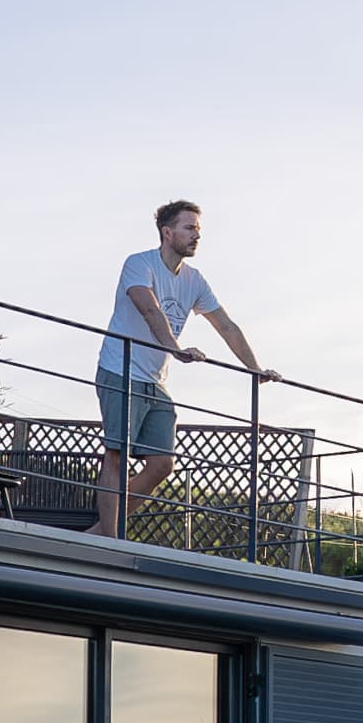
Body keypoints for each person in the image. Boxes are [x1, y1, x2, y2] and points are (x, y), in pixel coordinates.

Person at [94, 199, 276, 536]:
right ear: (167, 232)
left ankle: (101, 532)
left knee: (163, 464)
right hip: (120, 368)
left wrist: (256, 369)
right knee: (117, 454)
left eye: (199, 230)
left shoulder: (194, 280)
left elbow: (226, 325)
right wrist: (175, 349)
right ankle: (110, 539)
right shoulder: (139, 264)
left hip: (155, 379)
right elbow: (150, 310)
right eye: (189, 228)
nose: (196, 236)